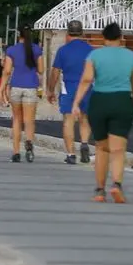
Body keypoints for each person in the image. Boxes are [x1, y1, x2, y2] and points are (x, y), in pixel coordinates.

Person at [71, 22, 133, 204]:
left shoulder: (94, 55)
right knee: (118, 149)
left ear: (103, 37)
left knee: (102, 148)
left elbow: (86, 80)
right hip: (122, 101)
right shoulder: (131, 56)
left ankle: (100, 190)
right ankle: (116, 184)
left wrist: (76, 103)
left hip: (100, 101)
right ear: (120, 37)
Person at [47, 21, 94, 165]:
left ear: (68, 33)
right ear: (82, 33)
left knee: (68, 120)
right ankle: (85, 143)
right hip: (87, 86)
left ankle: (71, 154)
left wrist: (50, 90)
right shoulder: (90, 50)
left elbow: (55, 72)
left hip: (69, 86)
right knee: (85, 118)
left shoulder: (63, 50)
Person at [0, 27, 43, 163]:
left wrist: (1, 89)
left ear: (18, 35)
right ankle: (29, 144)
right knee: (29, 120)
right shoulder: (36, 49)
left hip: (16, 87)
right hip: (31, 87)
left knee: (17, 120)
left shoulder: (12, 50)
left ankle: (16, 152)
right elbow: (41, 70)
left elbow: (6, 71)